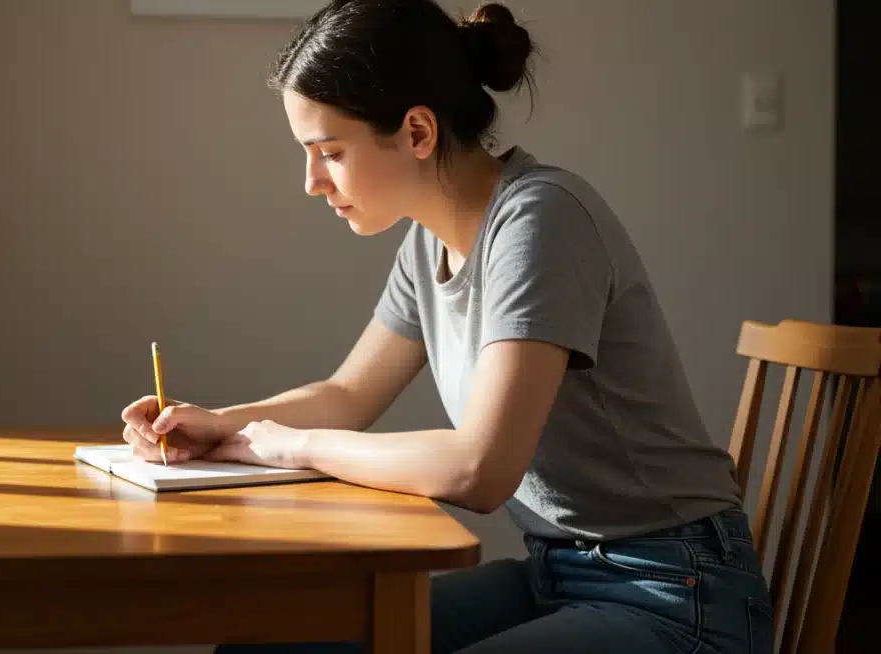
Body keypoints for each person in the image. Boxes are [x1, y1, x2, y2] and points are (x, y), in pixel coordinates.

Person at [119, 1, 774, 651]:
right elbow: (348, 396)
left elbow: (479, 469)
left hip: (674, 591)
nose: (312, 182)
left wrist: (293, 446)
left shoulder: (541, 220)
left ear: (417, 132)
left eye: (331, 152)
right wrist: (221, 427)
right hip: (557, 574)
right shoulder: (427, 244)